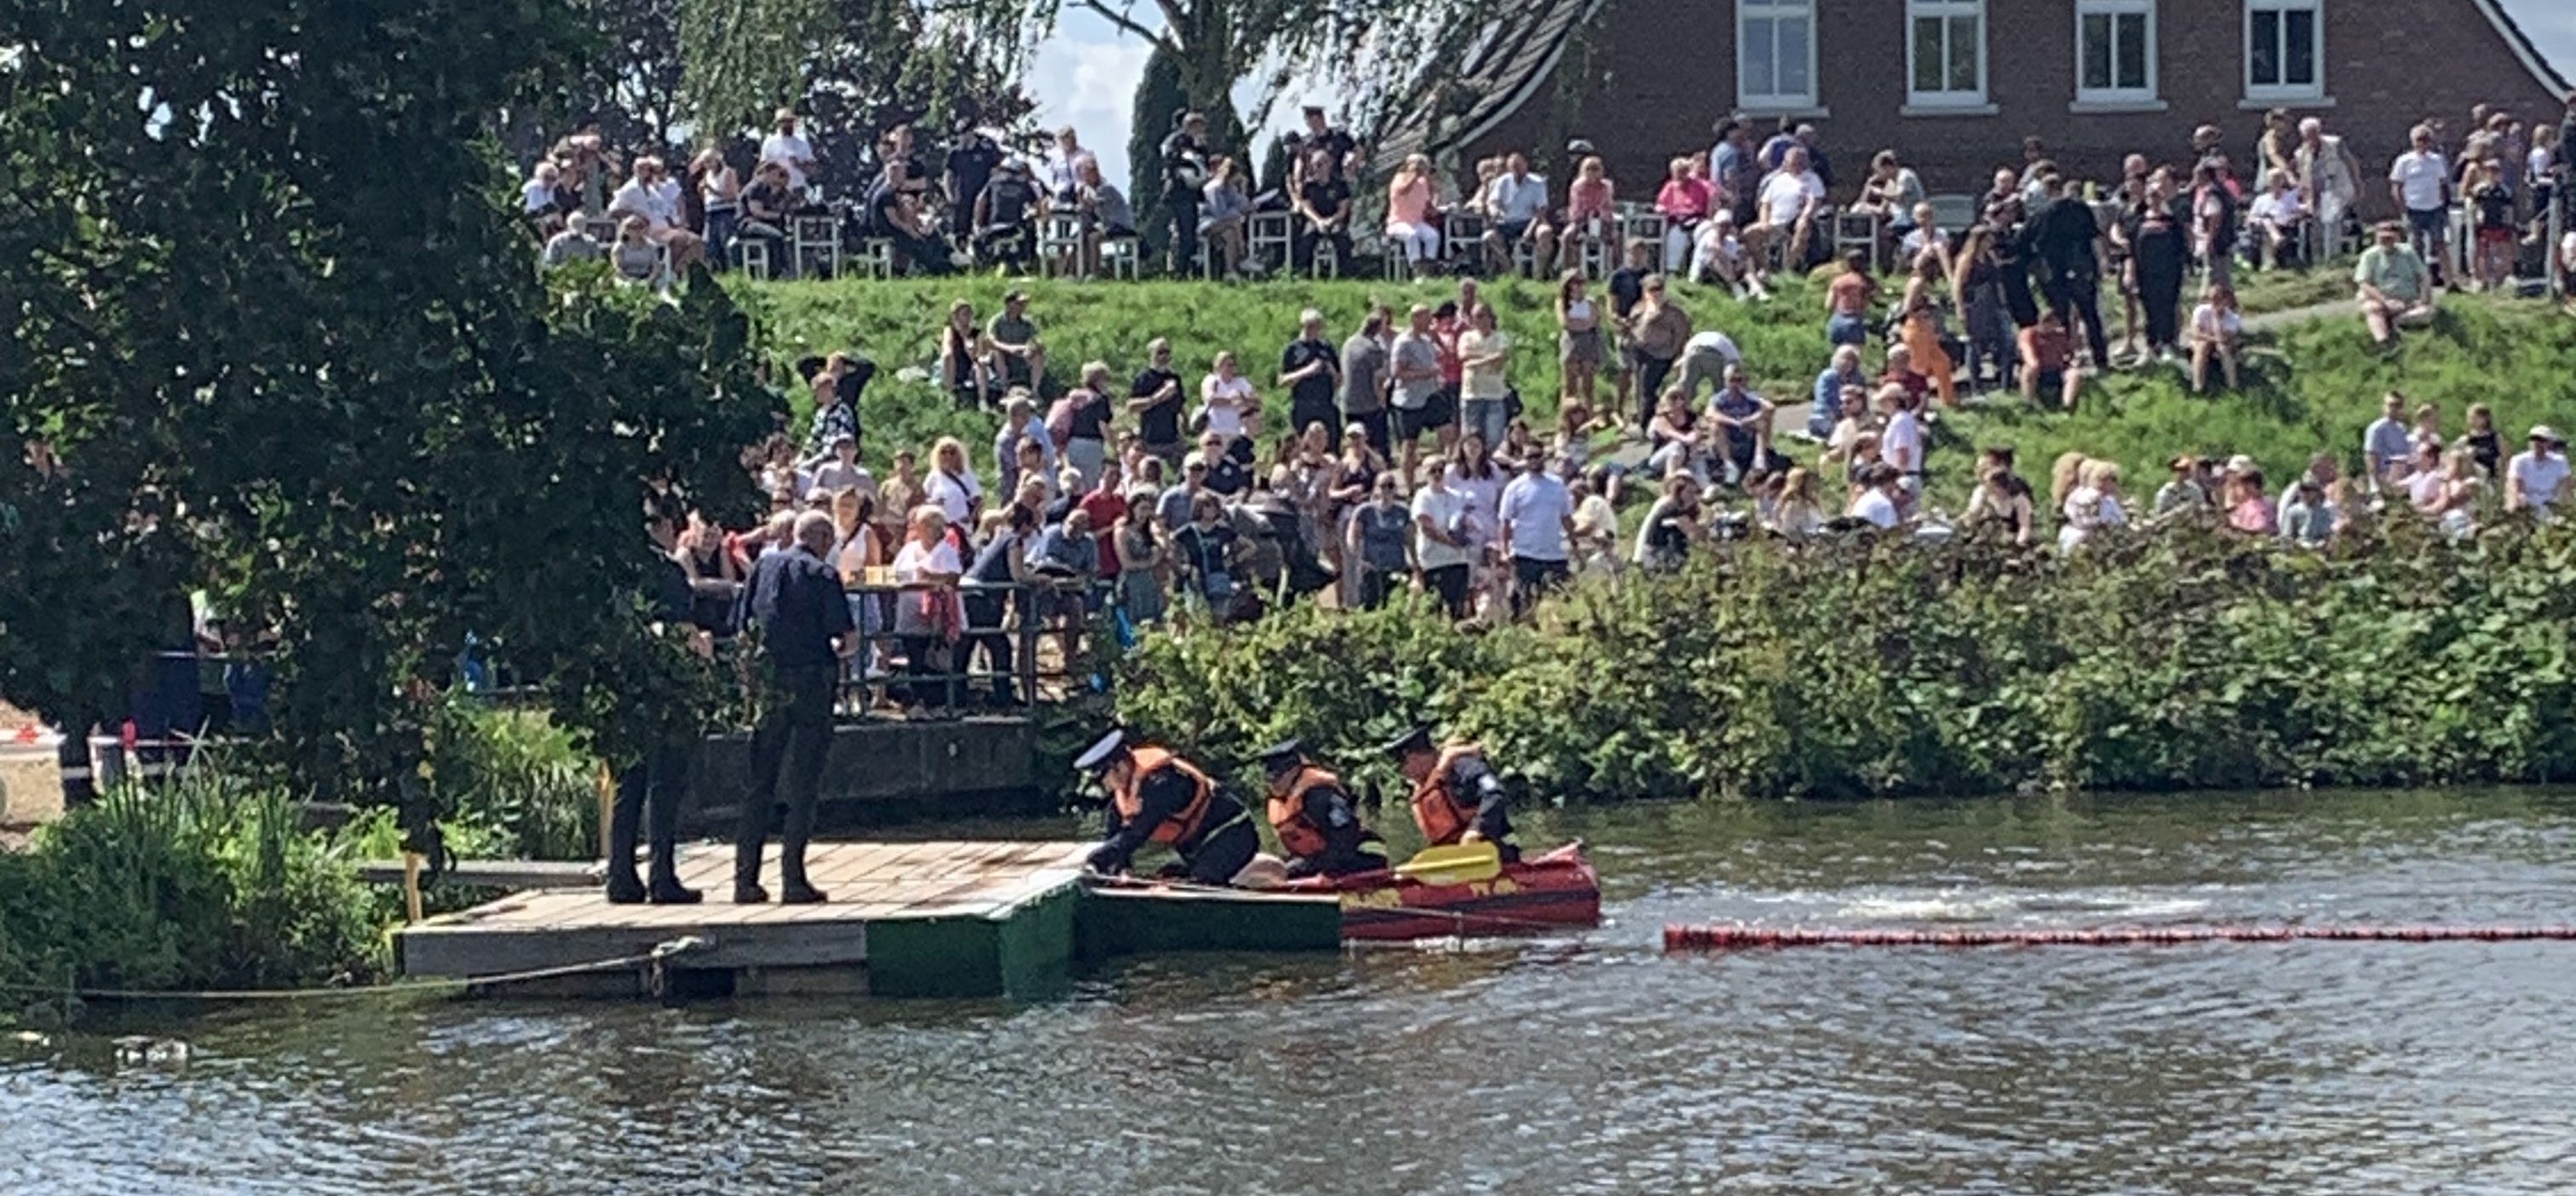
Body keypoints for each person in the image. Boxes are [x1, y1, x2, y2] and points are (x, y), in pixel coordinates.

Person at [731, 511, 855, 904]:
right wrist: (838, 651)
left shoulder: (762, 570)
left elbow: (742, 628)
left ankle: (744, 880)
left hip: (769, 682)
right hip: (811, 682)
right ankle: (793, 880)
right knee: (804, 782)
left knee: (759, 781)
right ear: (820, 538)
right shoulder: (822, 575)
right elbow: (847, 638)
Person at [607, 509, 710, 906]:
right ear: (662, 527)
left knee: (629, 786)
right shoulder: (665, 572)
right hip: (664, 689)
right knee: (664, 786)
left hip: (625, 688)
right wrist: (702, 650)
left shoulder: (618, 574)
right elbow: (680, 629)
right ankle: (662, 878)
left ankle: (620, 876)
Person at [1078, 729, 1259, 885]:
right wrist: (1118, 871)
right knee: (1168, 874)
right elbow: (1115, 837)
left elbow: (1136, 834)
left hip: (1232, 833)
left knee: (1203, 879)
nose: (1104, 785)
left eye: (1102, 777)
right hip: (1197, 847)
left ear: (1118, 766)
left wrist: (1095, 861)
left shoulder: (1162, 783)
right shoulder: (1122, 798)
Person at [1256, 741, 1387, 879]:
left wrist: (1324, 870)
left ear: (1293, 771)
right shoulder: (1280, 801)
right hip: (1320, 860)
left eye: (1276, 776)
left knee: (1295, 870)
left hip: (1360, 856)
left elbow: (1346, 833)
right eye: (1268, 779)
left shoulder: (1319, 796)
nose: (1272, 784)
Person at [1384, 726, 1516, 861]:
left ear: (1415, 757)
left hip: (1497, 851)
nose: (1404, 772)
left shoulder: (1463, 767)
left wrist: (1477, 829)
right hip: (1456, 859)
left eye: (1404, 765)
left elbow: (1494, 793)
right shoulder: (1422, 789)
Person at [2025, 174, 2107, 367]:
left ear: (2046, 191)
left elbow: (2026, 239)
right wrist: (2101, 262)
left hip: (2054, 271)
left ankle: (2067, 357)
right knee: (2090, 314)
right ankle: (2100, 358)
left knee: (2062, 317)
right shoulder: (2080, 208)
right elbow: (2094, 235)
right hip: (2081, 267)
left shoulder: (2042, 213)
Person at [1498, 451, 1574, 618]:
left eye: (1537, 456)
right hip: (1526, 554)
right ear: (1524, 460)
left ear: (1544, 458)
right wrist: (1504, 550)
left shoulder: (1557, 484)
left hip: (1554, 554)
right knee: (1527, 603)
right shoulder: (1514, 487)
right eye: (1529, 457)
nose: (1533, 460)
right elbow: (1505, 521)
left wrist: (1574, 543)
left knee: (1559, 602)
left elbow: (1566, 517)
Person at [2389, 124, 2452, 283]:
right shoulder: (2404, 161)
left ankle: (2450, 280)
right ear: (2413, 141)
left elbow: (2443, 183)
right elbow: (2397, 186)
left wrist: (2443, 204)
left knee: (2440, 245)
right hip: (2413, 209)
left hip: (2434, 208)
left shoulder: (2437, 160)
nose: (2423, 143)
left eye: (2426, 140)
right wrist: (2403, 209)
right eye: (2419, 140)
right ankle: (2418, 281)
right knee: (2415, 247)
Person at [1626, 275, 1689, 431]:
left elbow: (1682, 334)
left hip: (1661, 354)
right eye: (1651, 289)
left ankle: (1644, 423)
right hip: (1640, 351)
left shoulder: (1673, 312)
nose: (1656, 293)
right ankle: (1646, 418)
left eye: (1659, 289)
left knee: (1648, 386)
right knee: (1639, 387)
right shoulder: (1639, 308)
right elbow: (1631, 327)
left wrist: (1675, 354)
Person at [1481, 152, 1556, 276]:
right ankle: (1510, 271)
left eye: (1519, 166)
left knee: (1546, 232)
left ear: (1526, 166)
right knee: (1489, 237)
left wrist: (1530, 228)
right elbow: (1492, 202)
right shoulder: (1502, 182)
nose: (1517, 170)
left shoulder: (1537, 182)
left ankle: (1539, 273)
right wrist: (1494, 211)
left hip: (1530, 221)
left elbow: (1541, 210)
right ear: (1509, 168)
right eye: (1514, 167)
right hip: (1507, 223)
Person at [1279, 309, 1343, 451]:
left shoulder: (1326, 347)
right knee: (1303, 445)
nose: (1317, 330)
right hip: (1304, 406)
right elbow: (1282, 381)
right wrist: (1307, 371)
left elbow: (1339, 380)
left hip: (1325, 404)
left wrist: (1330, 369)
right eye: (1314, 326)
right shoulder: (1292, 349)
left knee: (1330, 445)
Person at [1160, 112, 1211, 275]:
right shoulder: (1178, 141)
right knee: (1185, 231)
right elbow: (1172, 161)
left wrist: (1201, 148)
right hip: (1180, 192)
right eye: (1199, 127)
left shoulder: (1199, 145)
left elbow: (1205, 164)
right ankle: (1180, 269)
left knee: (1191, 230)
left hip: (1192, 193)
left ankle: (1187, 267)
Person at [1458, 304, 1513, 451]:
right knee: (1470, 440)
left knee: (1494, 439)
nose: (1480, 320)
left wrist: (1476, 359)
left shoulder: (1500, 337)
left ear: (1491, 318)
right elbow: (1464, 358)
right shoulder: (1466, 337)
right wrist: (1490, 356)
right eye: (1477, 317)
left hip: (1494, 395)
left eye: (1483, 316)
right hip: (1471, 395)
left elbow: (1501, 359)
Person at [1340, 310, 1393, 458]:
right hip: (1369, 404)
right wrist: (1382, 402)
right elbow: (1378, 379)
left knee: (1354, 444)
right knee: (1376, 446)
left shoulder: (1349, 343)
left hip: (1349, 402)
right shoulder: (1373, 349)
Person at [1385, 153, 1442, 275]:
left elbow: (1428, 204)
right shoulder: (1399, 178)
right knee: (1411, 235)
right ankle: (1415, 267)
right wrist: (1414, 175)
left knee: (1433, 236)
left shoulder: (1423, 183)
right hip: (1398, 223)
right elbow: (1402, 191)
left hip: (1416, 222)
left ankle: (1428, 267)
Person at [2188, 283, 2243, 394]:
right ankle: (2198, 385)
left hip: (2221, 343)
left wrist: (2216, 317)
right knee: (2202, 346)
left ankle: (2232, 385)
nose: (2214, 303)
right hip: (2202, 341)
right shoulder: (2201, 311)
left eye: (2218, 299)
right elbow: (2195, 333)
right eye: (2212, 299)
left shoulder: (2232, 318)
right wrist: (2213, 339)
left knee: (2223, 349)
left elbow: (2224, 337)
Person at [2507, 426, 2569, 516]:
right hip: (2527, 504)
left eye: (2541, 440)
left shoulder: (2560, 461)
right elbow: (2513, 485)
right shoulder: (2518, 460)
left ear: (2549, 443)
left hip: (2551, 503)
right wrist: (2514, 503)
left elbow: (2565, 486)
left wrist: (2562, 504)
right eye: (2533, 439)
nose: (2537, 443)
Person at [759, 108, 818, 195]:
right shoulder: (770, 142)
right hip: (777, 192)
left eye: (790, 121)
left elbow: (813, 168)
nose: (788, 124)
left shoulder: (802, 141)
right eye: (784, 121)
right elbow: (762, 169)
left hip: (798, 190)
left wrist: (799, 165)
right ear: (778, 123)